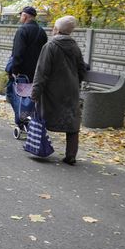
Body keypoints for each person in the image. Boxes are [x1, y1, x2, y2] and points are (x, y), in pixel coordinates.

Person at [31, 16, 86, 165]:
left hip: (52, 91)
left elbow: (41, 72)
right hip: (71, 90)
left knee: (42, 118)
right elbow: (82, 68)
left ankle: (39, 146)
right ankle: (71, 155)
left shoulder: (50, 46)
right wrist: (76, 82)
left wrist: (35, 93)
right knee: (72, 123)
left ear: (56, 29)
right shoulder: (75, 47)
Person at [10, 5, 47, 82]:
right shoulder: (42, 31)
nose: (20, 17)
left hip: (23, 72)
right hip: (37, 71)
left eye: (21, 15)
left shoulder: (22, 30)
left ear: (25, 16)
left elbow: (18, 52)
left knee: (19, 93)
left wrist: (14, 71)